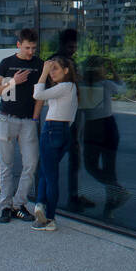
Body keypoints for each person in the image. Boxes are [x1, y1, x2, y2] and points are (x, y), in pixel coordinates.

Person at [0, 28, 43, 223]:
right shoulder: (7, 63)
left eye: (34, 48)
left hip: (28, 121)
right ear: (18, 44)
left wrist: (35, 118)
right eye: (27, 47)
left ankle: (19, 204)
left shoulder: (39, 64)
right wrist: (13, 81)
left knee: (31, 163)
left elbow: (40, 95)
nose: (31, 52)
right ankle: (5, 205)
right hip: (6, 118)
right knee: (6, 165)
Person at [31, 55, 79, 232]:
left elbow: (37, 95)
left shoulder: (65, 86)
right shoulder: (70, 88)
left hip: (52, 129)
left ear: (66, 70)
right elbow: (72, 116)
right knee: (46, 170)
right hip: (64, 131)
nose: (52, 72)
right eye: (50, 69)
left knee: (50, 176)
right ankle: (40, 206)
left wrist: (43, 73)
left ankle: (49, 217)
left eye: (55, 69)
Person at [81, 55, 130, 217]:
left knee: (93, 165)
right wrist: (113, 69)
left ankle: (110, 206)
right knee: (103, 167)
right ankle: (116, 194)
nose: (102, 70)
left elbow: (122, 88)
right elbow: (123, 87)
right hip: (106, 126)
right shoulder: (103, 84)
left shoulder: (91, 85)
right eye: (102, 67)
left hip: (96, 126)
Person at [57, 28, 94, 210]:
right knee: (60, 154)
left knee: (74, 156)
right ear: (64, 44)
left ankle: (73, 195)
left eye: (75, 46)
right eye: (71, 46)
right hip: (63, 116)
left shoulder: (70, 61)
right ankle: (48, 195)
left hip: (73, 113)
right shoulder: (57, 62)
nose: (73, 49)